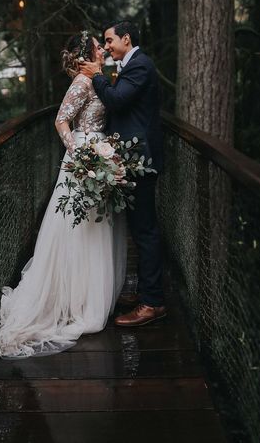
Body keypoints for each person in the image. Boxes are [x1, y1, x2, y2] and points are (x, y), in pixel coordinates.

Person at [0, 31, 127, 358]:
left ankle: (88, 296)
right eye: (98, 45)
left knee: (96, 226)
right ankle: (74, 300)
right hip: (84, 158)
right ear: (88, 53)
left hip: (98, 154)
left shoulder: (96, 80)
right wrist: (82, 155)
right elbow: (61, 121)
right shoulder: (83, 83)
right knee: (79, 228)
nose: (102, 48)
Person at [80, 20, 166, 326]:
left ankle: (152, 302)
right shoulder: (129, 65)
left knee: (145, 230)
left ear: (126, 39)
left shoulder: (140, 65)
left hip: (141, 159)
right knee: (139, 228)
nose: (105, 47)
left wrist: (97, 75)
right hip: (130, 157)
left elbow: (116, 99)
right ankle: (146, 291)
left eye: (109, 40)